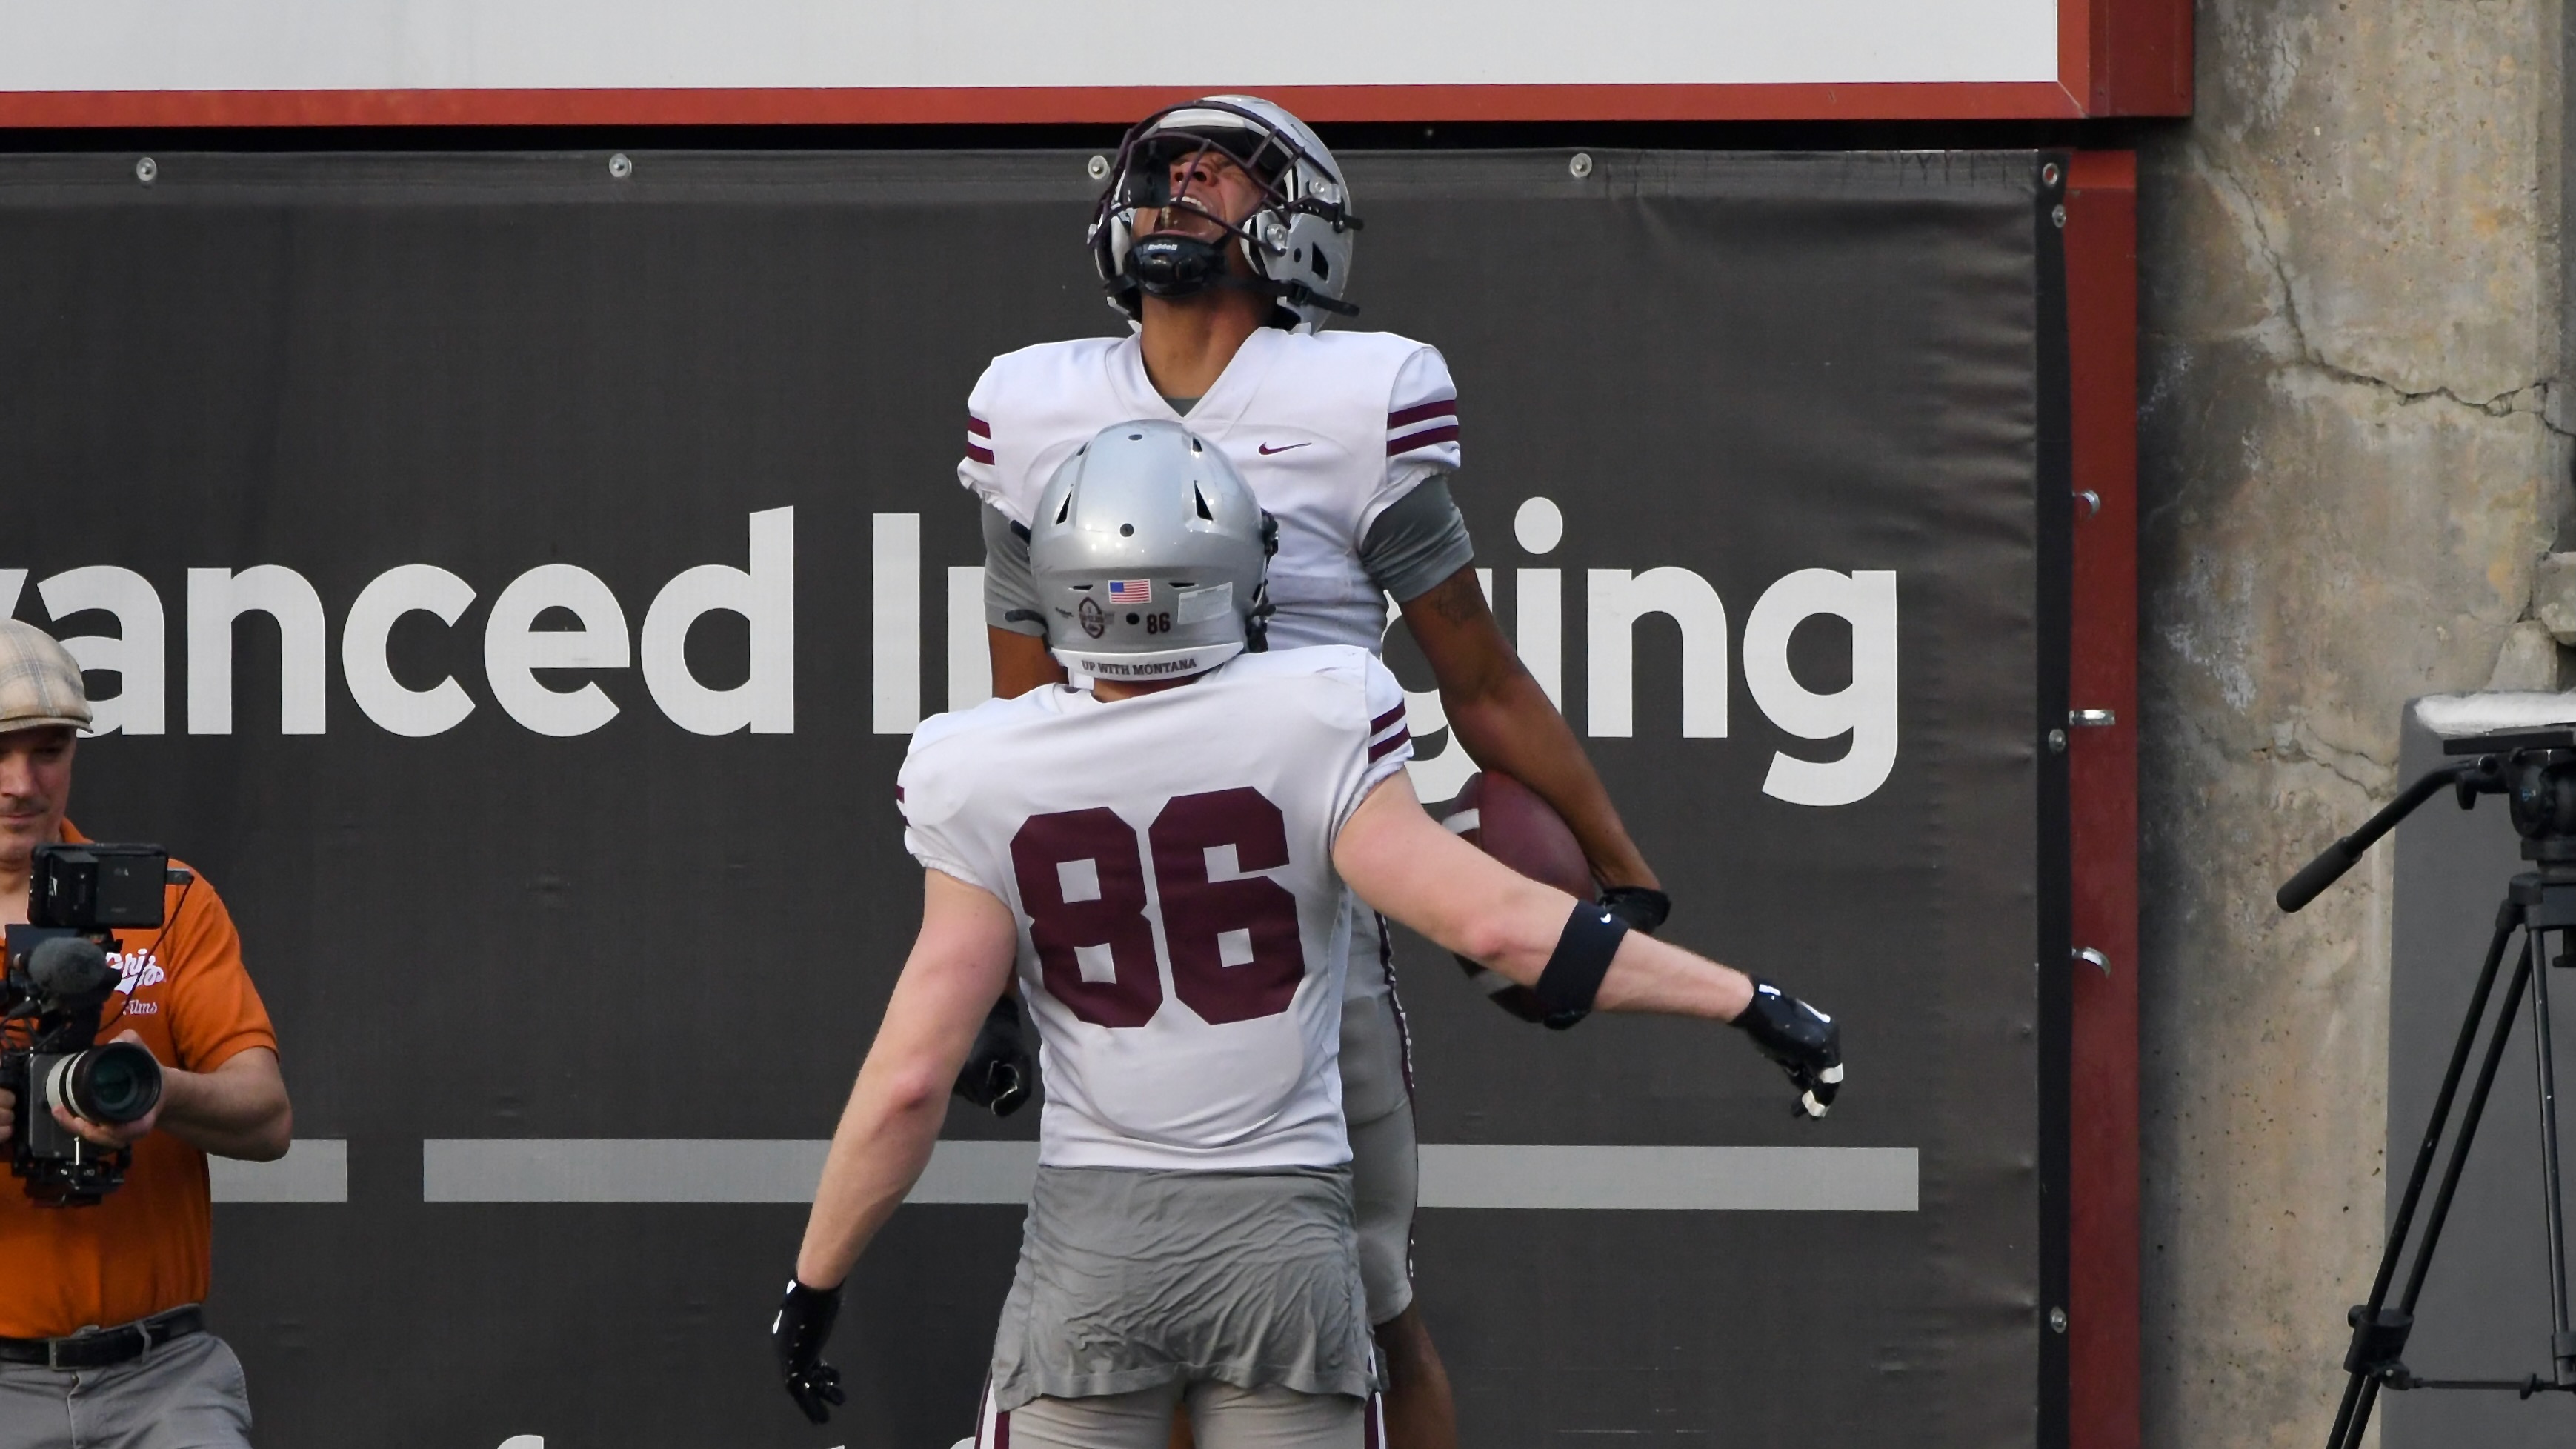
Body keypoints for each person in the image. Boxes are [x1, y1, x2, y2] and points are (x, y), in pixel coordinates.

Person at [776, 425, 1841, 1447]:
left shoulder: (978, 764)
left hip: (1093, 1244)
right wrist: (1748, 1002)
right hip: (1285, 1243)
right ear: (1233, 571)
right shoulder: (1317, 711)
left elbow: (911, 1079)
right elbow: (1499, 925)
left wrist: (814, 1284)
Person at [953, 95, 1669, 1448]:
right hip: (1120, 921)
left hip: (1303, 908)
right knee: (1149, 1326)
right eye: (1164, 166)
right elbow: (1024, 724)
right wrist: (998, 972)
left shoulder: (1352, 401)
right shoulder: (1036, 407)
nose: (1182, 181)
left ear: (1302, 229)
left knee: (1365, 1305)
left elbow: (1480, 678)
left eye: (1221, 169)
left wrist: (1621, 876)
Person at [0, 620, 293, 1449]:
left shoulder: (165, 901)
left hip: (161, 1372)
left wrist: (156, 1089)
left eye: (49, 751)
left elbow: (267, 1117)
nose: (22, 784)